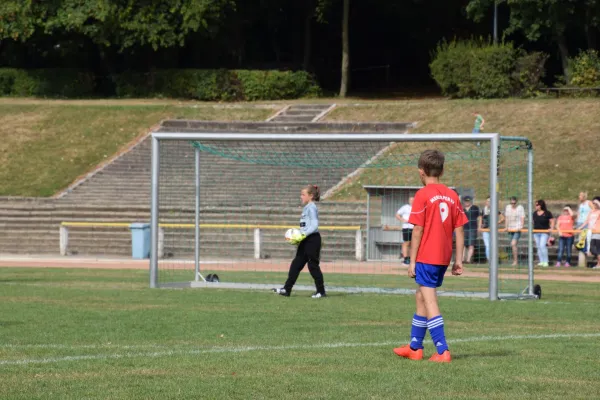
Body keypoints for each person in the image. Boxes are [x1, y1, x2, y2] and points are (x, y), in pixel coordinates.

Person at [393, 149, 468, 363]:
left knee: (430, 300)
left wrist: (412, 261)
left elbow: (416, 230)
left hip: (427, 256)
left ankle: (442, 350)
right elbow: (460, 230)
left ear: (421, 172)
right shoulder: (452, 195)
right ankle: (415, 347)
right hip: (443, 257)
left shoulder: (423, 194)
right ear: (442, 170)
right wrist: (459, 260)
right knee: (421, 297)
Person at [273, 185, 326, 298]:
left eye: (303, 194)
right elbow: (306, 226)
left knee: (313, 266)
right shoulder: (307, 207)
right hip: (306, 239)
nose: (300, 196)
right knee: (296, 264)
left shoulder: (312, 207)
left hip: (313, 239)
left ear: (311, 196)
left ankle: (321, 292)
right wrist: (298, 237)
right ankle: (286, 290)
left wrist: (303, 234)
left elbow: (315, 225)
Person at [578, 197, 600, 269]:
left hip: (597, 232)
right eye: (593, 203)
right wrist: (581, 227)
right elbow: (587, 221)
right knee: (593, 249)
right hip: (590, 232)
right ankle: (598, 264)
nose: (593, 204)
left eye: (595, 203)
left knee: (595, 248)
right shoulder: (591, 212)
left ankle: (599, 264)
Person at [481, 196, 505, 263]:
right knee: (487, 245)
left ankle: (494, 259)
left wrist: (496, 223)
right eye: (487, 201)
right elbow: (481, 218)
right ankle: (489, 260)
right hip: (485, 230)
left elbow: (503, 218)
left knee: (493, 245)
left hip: (493, 230)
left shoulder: (495, 210)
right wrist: (481, 225)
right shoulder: (483, 210)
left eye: (490, 201)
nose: (488, 203)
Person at [532, 199, 554, 268]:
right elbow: (533, 222)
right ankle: (541, 261)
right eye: (535, 205)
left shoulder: (547, 213)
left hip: (544, 232)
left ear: (541, 205)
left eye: (537, 205)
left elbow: (552, 221)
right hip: (536, 232)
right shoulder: (534, 213)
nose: (536, 206)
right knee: (538, 247)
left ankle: (546, 261)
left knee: (542, 245)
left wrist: (551, 228)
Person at [504, 196, 525, 266]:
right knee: (513, 245)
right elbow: (506, 218)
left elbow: (522, 217)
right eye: (511, 203)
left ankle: (515, 261)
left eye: (514, 203)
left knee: (513, 244)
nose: (513, 204)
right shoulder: (508, 207)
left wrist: (521, 226)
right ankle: (515, 260)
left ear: (516, 202)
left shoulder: (520, 208)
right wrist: (506, 227)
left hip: (517, 228)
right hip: (510, 228)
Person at [395, 197, 414, 265]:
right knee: (407, 243)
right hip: (407, 227)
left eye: (413, 200)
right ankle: (406, 259)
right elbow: (397, 215)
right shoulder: (405, 207)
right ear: (409, 201)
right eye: (411, 200)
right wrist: (403, 220)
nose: (412, 201)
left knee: (413, 244)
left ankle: (412, 259)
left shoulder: (417, 207)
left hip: (415, 228)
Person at [462, 195, 481, 263]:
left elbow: (479, 217)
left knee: (471, 244)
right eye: (466, 201)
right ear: (463, 202)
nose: (467, 202)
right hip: (464, 228)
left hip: (473, 228)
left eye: (468, 201)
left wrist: (479, 227)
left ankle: (468, 260)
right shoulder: (462, 209)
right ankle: (462, 259)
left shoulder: (475, 208)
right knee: (463, 244)